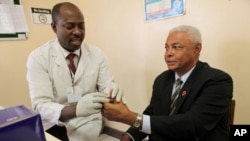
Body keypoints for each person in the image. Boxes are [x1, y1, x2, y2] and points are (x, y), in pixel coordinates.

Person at [102, 25, 233, 141]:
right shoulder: (162, 79)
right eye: (167, 47)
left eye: (176, 47)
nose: (168, 53)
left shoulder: (218, 81)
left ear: (196, 49)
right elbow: (152, 112)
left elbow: (193, 125)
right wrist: (130, 135)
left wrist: (129, 117)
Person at [26, 2, 124, 141]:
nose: (77, 32)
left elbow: (106, 86)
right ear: (54, 27)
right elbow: (40, 105)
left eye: (81, 26)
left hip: (88, 121)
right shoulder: (38, 58)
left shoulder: (97, 54)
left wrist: (111, 90)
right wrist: (76, 109)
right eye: (70, 26)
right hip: (55, 125)